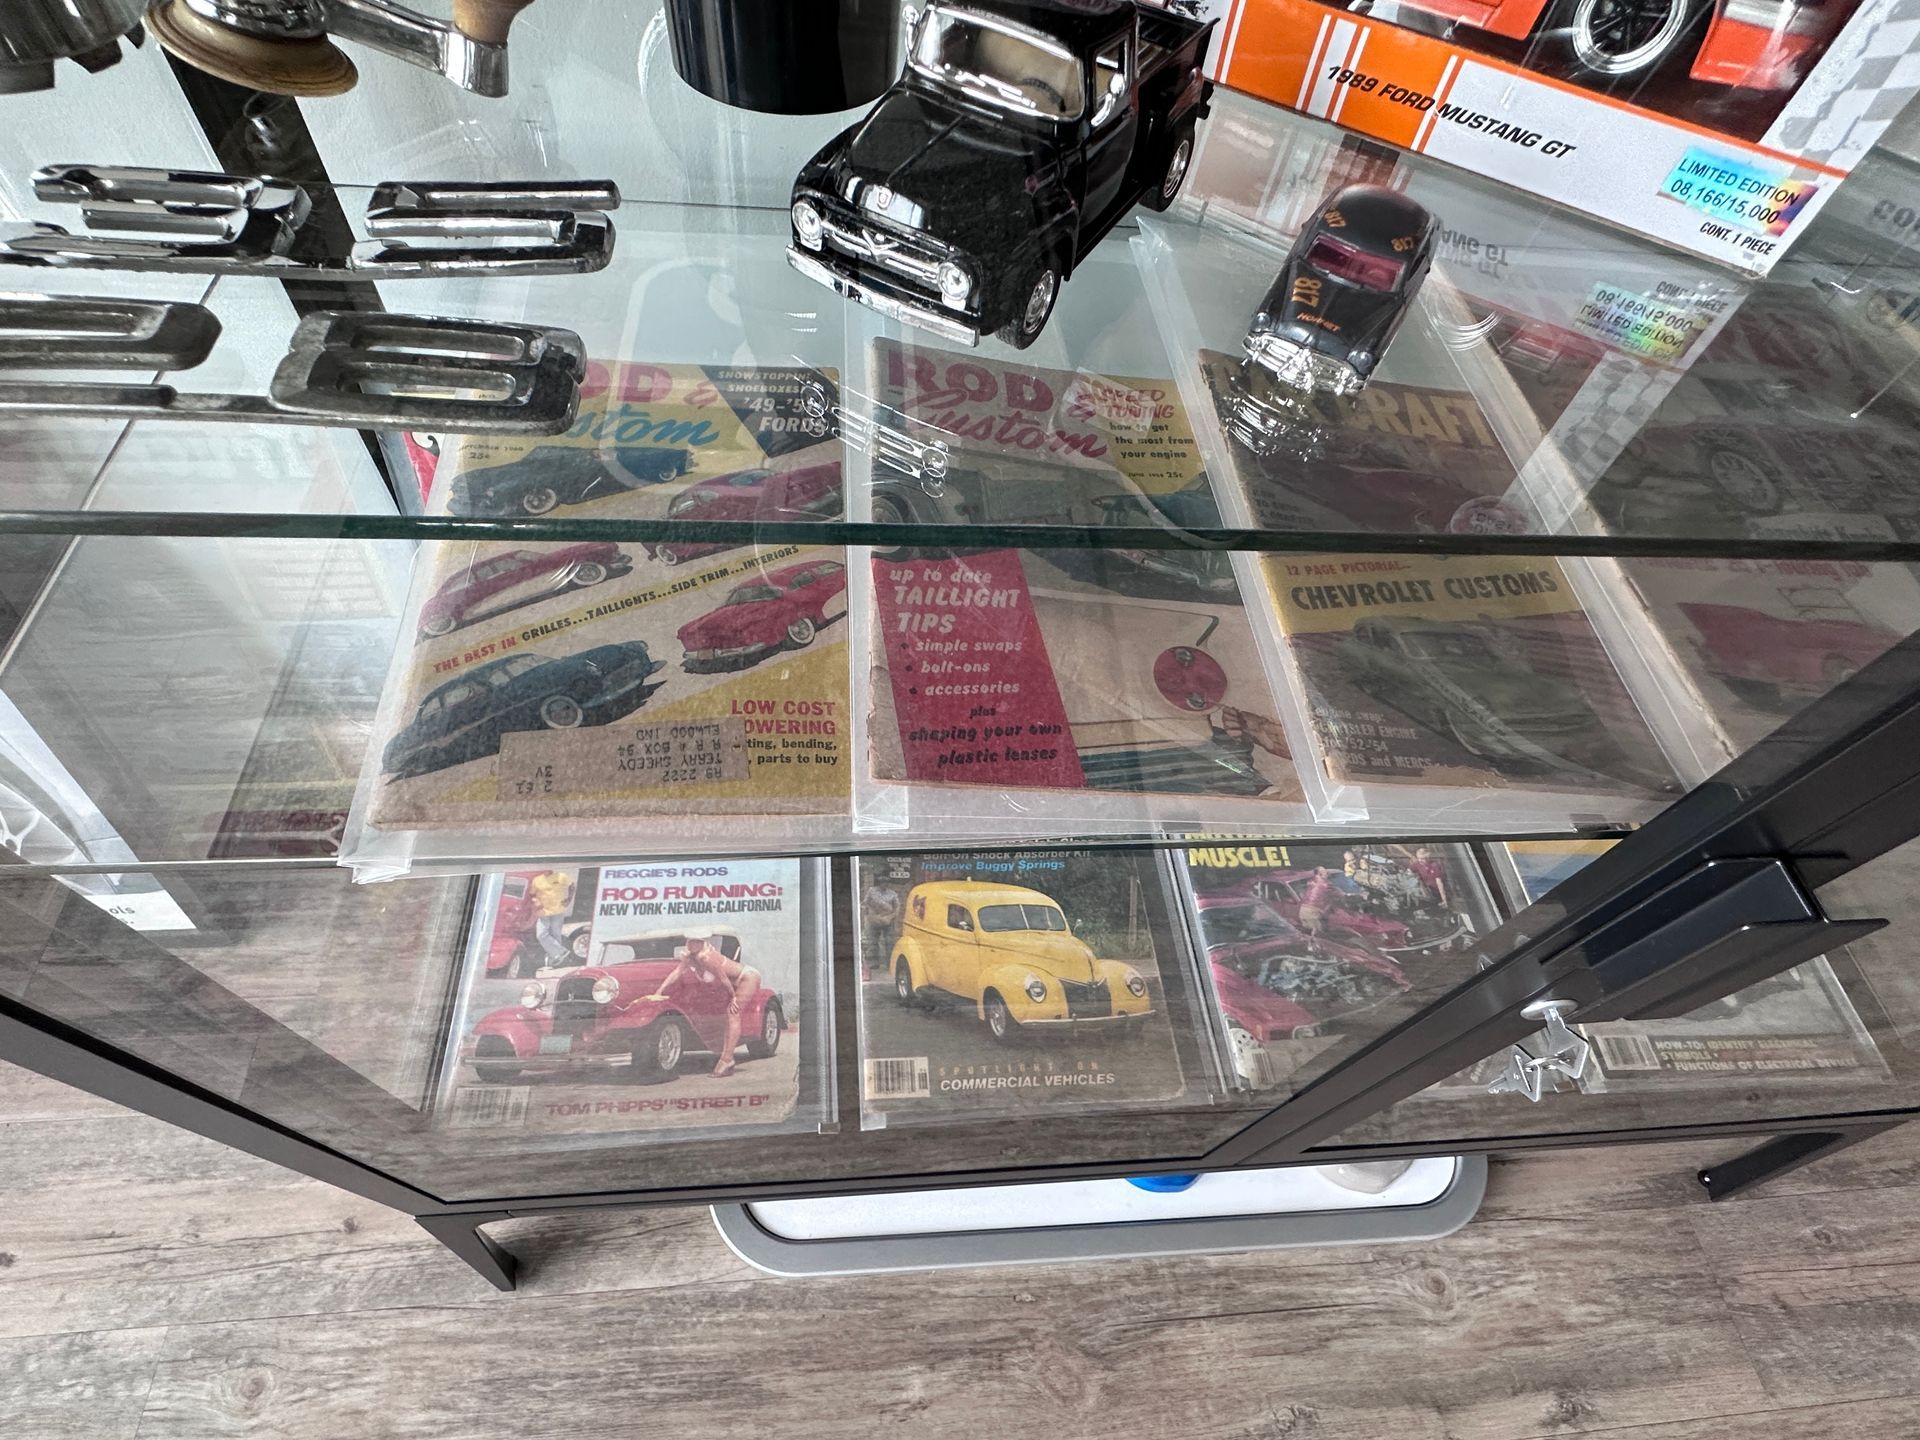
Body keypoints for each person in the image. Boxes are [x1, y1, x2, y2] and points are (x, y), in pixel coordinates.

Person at [643, 933, 763, 1078]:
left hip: (747, 977)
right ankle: (727, 1060)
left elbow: (724, 979)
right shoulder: (689, 958)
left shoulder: (707, 957)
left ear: (702, 942)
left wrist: (732, 998)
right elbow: (676, 974)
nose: (693, 944)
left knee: (733, 1013)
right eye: (690, 941)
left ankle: (726, 1061)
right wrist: (659, 991)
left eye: (697, 941)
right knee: (727, 1017)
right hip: (732, 983)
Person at [529, 870, 574, 967]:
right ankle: (562, 952)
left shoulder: (561, 876)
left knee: (556, 935)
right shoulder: (537, 880)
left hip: (558, 911)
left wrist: (569, 899)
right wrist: (536, 901)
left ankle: (554, 961)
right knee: (541, 935)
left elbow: (572, 885)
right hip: (543, 912)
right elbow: (532, 894)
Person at [861, 879, 902, 979]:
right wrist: (869, 914)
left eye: (886, 882)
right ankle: (874, 963)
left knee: (889, 942)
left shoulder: (892, 893)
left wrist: (891, 917)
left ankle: (889, 963)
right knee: (873, 942)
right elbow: (865, 903)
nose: (885, 884)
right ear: (879, 883)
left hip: (887, 920)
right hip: (874, 919)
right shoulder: (872, 891)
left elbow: (897, 907)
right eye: (883, 882)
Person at [1298, 866, 1339, 948]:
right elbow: (1340, 894)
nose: (1327, 873)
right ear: (1320, 874)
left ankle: (1307, 951)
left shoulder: (1310, 882)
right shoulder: (1326, 884)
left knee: (1307, 935)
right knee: (1319, 937)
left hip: (1303, 911)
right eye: (1325, 872)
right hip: (1313, 912)